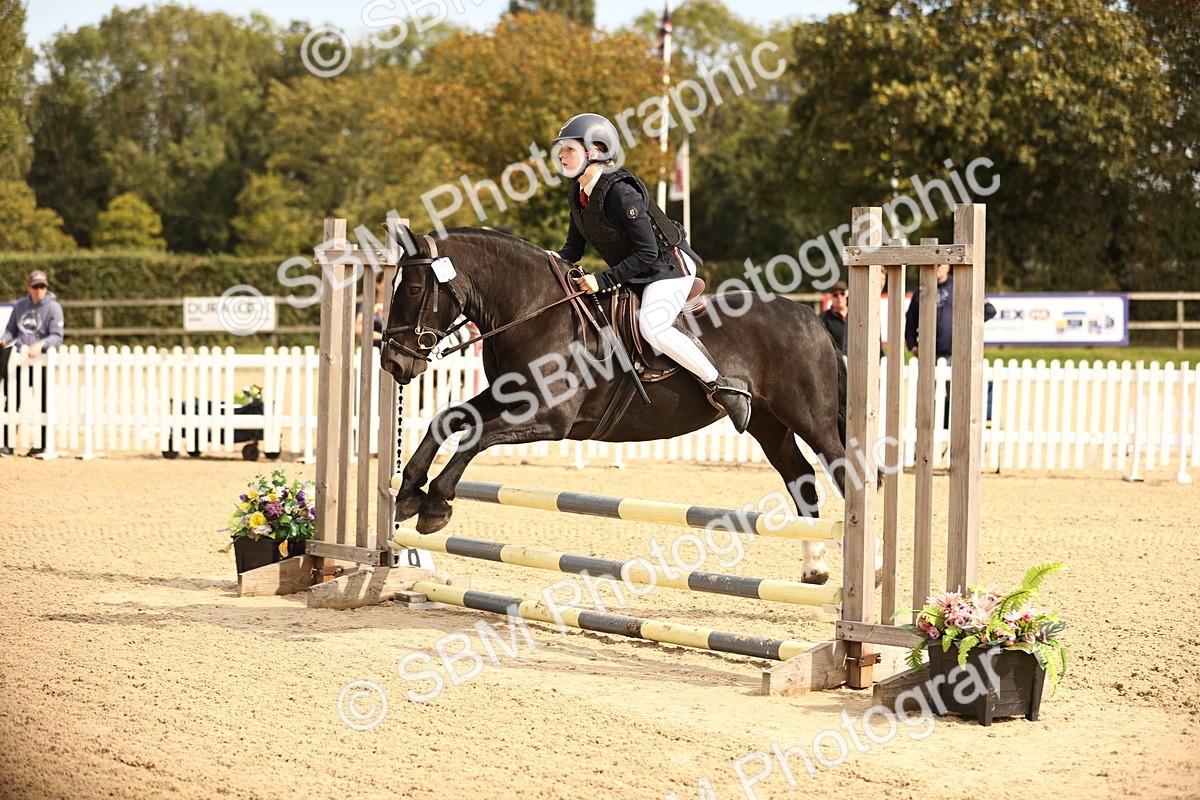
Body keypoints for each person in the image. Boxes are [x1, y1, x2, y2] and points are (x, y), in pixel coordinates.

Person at [549, 112, 750, 432]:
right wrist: (546, 262)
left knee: (652, 326)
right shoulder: (578, 195)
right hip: (636, 272)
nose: (561, 154)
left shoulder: (620, 192)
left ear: (594, 151)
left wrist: (602, 279)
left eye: (569, 148)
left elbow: (648, 251)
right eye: (562, 149)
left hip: (668, 268)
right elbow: (572, 250)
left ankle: (722, 387)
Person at [903, 263, 996, 423]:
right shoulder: (921, 291)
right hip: (929, 356)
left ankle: (955, 428)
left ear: (948, 266)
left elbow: (989, 310)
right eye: (935, 264)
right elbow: (910, 322)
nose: (937, 267)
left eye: (941, 264)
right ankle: (923, 430)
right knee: (925, 396)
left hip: (956, 354)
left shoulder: (961, 286)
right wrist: (912, 346)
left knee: (957, 396)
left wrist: (968, 326)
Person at [0, 270, 64, 456]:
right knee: (12, 401)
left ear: (46, 287)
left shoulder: (54, 308)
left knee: (43, 402)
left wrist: (41, 343)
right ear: (29, 287)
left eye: (42, 286)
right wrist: (4, 339)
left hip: (42, 362)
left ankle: (41, 445)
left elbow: (56, 336)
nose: (39, 290)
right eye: (35, 286)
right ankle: (7, 443)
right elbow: (11, 330)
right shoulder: (20, 306)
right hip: (19, 361)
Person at [355, 269, 386, 349]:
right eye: (385, 282)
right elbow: (357, 328)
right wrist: (374, 309)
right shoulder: (368, 306)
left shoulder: (395, 306)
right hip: (371, 350)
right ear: (377, 285)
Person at [819, 280, 848, 355]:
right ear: (831, 297)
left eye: (842, 293)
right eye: (835, 295)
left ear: (847, 295)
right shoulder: (823, 317)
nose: (839, 297)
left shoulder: (856, 315)